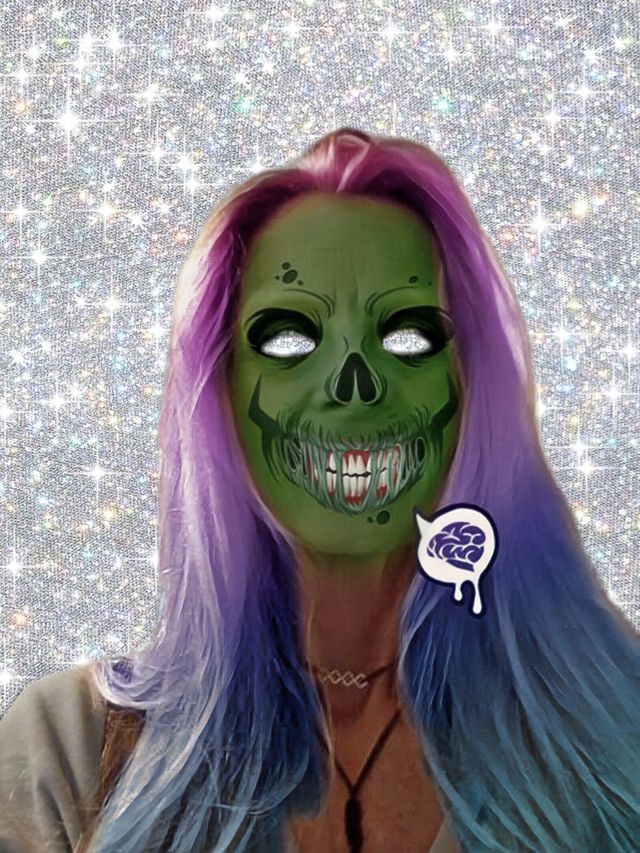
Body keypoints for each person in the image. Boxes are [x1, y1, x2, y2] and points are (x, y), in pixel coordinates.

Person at [1, 127, 638, 852]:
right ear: (220, 391)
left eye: (408, 336)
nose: (354, 384)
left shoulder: (617, 741)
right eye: (288, 338)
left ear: (472, 382)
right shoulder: (69, 751)